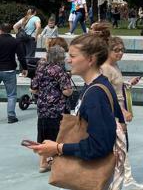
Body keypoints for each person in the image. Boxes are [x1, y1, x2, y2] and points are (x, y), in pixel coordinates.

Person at [31, 32, 126, 188]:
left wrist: (57, 148)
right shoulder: (95, 86)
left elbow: (99, 145)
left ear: (90, 59)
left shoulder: (96, 94)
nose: (68, 60)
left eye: (73, 56)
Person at [98, 30, 143, 190]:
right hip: (113, 113)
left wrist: (129, 84)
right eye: (116, 50)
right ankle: (124, 178)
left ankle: (126, 177)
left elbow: (117, 88)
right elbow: (108, 93)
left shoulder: (115, 66)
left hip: (119, 110)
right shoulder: (105, 68)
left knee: (121, 147)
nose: (120, 53)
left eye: (122, 50)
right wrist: (121, 112)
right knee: (120, 146)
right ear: (108, 51)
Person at [30, 44, 73, 172]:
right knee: (57, 134)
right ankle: (56, 161)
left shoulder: (41, 68)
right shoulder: (59, 70)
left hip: (43, 107)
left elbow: (33, 88)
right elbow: (67, 91)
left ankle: (43, 163)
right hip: (57, 108)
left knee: (43, 133)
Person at [0, 23, 27, 123]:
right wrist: (24, 68)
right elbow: (21, 56)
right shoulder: (14, 41)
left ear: (1, 30)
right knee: (11, 95)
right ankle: (11, 116)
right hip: (9, 70)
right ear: (10, 30)